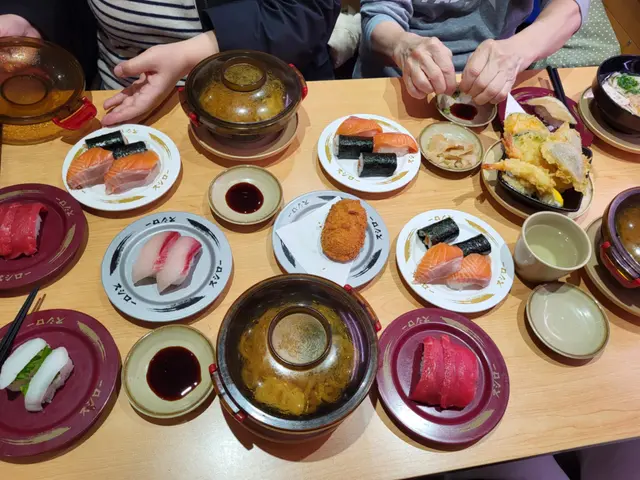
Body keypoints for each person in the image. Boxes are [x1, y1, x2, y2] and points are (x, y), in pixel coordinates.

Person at [1, 0, 340, 127]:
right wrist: (24, 17)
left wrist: (190, 55)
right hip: (118, 96)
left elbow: (308, 11)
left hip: (259, 106)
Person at [357, 0, 589, 105]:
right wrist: (402, 45)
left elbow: (571, 6)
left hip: (497, 82)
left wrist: (520, 49)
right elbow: (379, 13)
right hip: (400, 80)